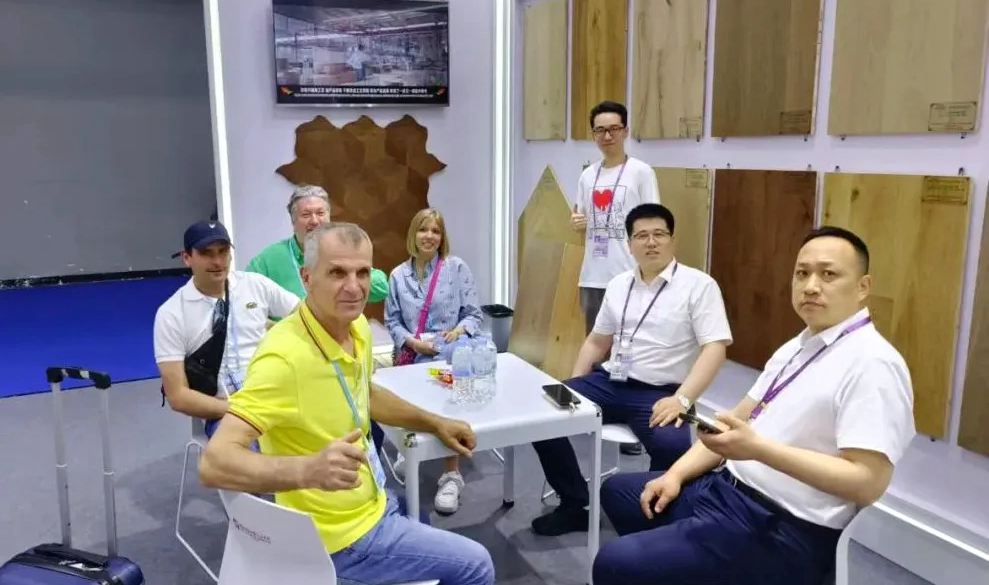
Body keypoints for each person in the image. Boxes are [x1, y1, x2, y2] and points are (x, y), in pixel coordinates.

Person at [592, 226, 916, 585]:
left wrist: (758, 449)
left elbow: (867, 483)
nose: (811, 286)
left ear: (863, 287)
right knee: (619, 493)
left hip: (783, 525)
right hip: (726, 489)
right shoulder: (799, 346)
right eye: (802, 273)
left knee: (615, 563)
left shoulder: (873, 364)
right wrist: (675, 475)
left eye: (828, 274)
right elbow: (737, 421)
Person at [199, 223, 494, 585]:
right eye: (337, 273)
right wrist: (307, 470)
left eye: (363, 272)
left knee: (419, 515)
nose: (354, 287)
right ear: (307, 278)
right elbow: (214, 463)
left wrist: (435, 422)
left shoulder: (357, 328)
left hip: (370, 499)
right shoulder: (284, 358)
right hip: (339, 539)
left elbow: (364, 395)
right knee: (477, 565)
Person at [531, 203, 732, 536]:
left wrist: (682, 400)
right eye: (641, 236)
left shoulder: (699, 286)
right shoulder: (619, 284)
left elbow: (715, 349)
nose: (651, 242)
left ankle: (651, 517)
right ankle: (575, 504)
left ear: (672, 240)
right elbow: (597, 341)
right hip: (609, 382)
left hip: (663, 393)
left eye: (659, 234)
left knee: (671, 448)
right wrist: (576, 384)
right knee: (543, 414)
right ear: (629, 244)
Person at [154, 220, 299, 438]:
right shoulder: (171, 314)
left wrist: (280, 332)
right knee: (246, 455)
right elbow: (178, 396)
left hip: (276, 396)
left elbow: (307, 318)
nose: (218, 261)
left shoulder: (256, 285)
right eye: (207, 253)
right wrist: (241, 410)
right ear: (187, 258)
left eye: (223, 251)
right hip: (225, 411)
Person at [573, 101, 661, 457]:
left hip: (629, 275)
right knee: (596, 349)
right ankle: (592, 416)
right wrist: (578, 223)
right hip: (593, 274)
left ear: (625, 131)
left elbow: (654, 221)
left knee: (631, 352)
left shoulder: (641, 172)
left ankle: (634, 426)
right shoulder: (587, 175)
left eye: (613, 129)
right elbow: (581, 220)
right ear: (593, 134)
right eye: (599, 130)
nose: (606, 136)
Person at [384, 208, 483, 515]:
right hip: (413, 352)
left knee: (446, 406)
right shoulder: (397, 276)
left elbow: (473, 314)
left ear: (442, 237)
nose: (429, 236)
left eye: (436, 231)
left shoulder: (456, 268)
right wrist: (412, 342)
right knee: (407, 402)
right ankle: (409, 449)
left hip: (448, 353)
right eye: (423, 229)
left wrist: (458, 331)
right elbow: (392, 320)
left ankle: (451, 476)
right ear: (413, 234)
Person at [246, 184, 388, 304]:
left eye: (320, 213)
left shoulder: (343, 251)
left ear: (329, 217)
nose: (314, 221)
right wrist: (270, 324)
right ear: (293, 221)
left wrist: (344, 277)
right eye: (306, 215)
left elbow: (382, 289)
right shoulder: (269, 259)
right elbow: (245, 297)